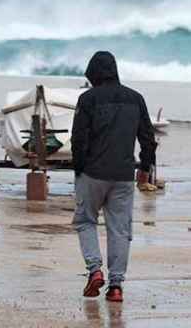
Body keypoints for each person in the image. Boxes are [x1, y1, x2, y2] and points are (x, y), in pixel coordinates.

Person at [71, 51, 157, 302]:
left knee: (85, 221)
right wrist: (145, 168)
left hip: (93, 173)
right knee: (119, 229)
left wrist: (79, 170)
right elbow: (148, 138)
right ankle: (116, 286)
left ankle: (95, 270)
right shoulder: (136, 98)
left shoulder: (87, 99)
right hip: (123, 175)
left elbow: (79, 139)